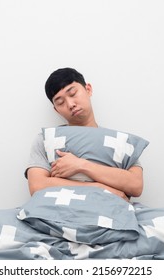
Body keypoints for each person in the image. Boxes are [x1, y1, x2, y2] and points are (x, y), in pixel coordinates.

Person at [25, 67, 143, 201]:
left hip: (110, 213)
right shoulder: (46, 140)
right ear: (56, 110)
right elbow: (37, 186)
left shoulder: (119, 141)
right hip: (59, 214)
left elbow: (136, 185)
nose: (70, 104)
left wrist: (80, 165)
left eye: (73, 93)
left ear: (88, 89)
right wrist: (99, 188)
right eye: (60, 102)